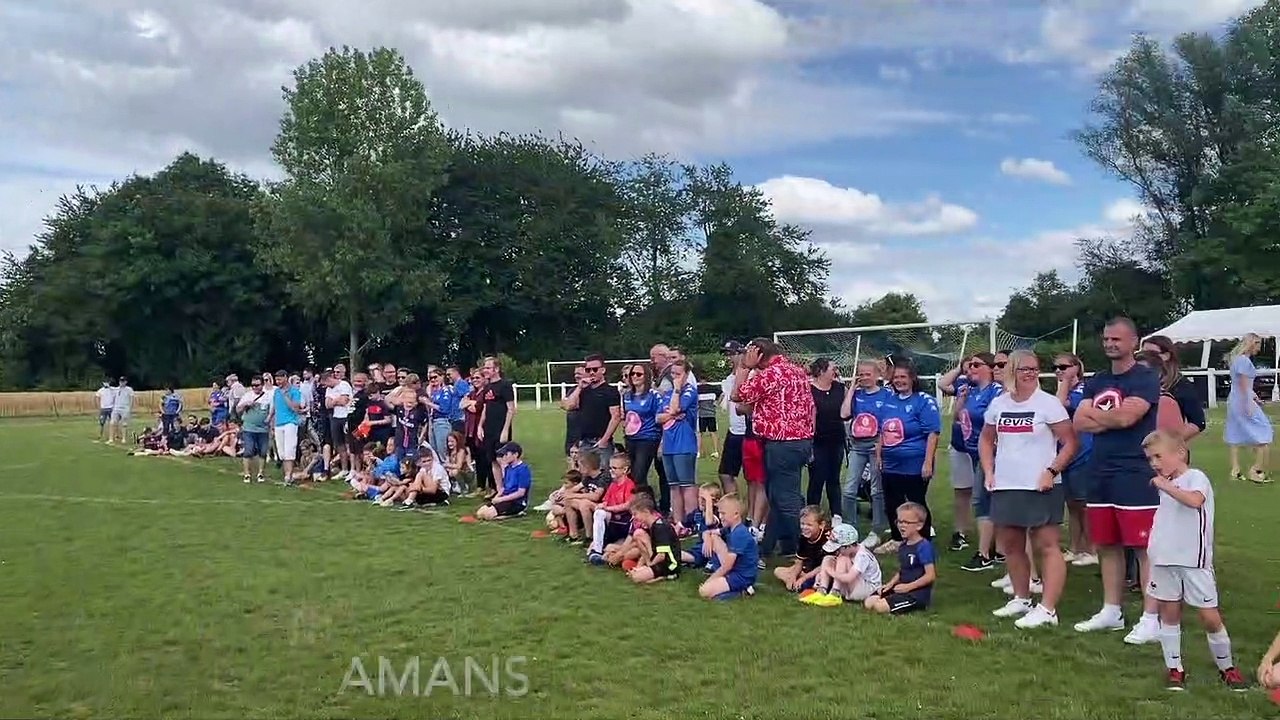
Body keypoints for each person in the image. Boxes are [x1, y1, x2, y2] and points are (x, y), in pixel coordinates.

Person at [1071, 317, 1163, 644]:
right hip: (1100, 470)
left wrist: (1105, 418)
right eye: (1107, 339)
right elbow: (1080, 421)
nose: (1110, 344)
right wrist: (1112, 418)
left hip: (1136, 471)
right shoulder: (1098, 380)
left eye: (1117, 339)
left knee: (1142, 546)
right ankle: (1112, 610)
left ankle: (1152, 618)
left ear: (1134, 342)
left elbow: (1129, 417)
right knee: (1107, 544)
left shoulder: (1145, 377)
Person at [1141, 430, 1248, 691]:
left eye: (1158, 456)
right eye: (1149, 459)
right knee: (1169, 612)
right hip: (1164, 559)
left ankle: (1227, 667)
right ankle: (1175, 669)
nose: (1154, 463)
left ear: (1179, 453)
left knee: (1209, 616)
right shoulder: (1165, 482)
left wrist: (1166, 485)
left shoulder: (1195, 477)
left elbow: (1195, 501)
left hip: (1193, 562)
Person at [980, 350, 1078, 630]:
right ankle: (1022, 598)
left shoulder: (1048, 404)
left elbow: (1070, 443)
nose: (1030, 373)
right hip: (1006, 484)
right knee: (1011, 546)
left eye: (1034, 369)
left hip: (1040, 486)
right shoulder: (999, 404)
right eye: (1024, 369)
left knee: (1047, 546)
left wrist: (1051, 471)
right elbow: (986, 440)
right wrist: (989, 471)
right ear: (1011, 370)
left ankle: (1048, 608)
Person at [732, 338, 815, 560]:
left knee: (786, 500)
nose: (746, 355)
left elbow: (737, 395)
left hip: (781, 444)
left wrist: (744, 368)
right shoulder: (796, 371)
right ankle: (772, 546)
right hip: (799, 442)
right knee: (776, 496)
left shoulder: (770, 374)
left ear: (759, 353)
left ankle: (808, 550)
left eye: (750, 352)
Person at [876, 364, 941, 555]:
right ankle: (897, 539)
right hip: (891, 463)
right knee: (892, 503)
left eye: (903, 377)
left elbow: (933, 433)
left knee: (916, 502)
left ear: (912, 378)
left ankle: (923, 542)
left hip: (914, 463)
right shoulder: (889, 400)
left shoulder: (923, 401)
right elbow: (882, 430)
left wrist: (928, 462)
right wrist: (879, 455)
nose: (899, 381)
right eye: (896, 377)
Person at [959, 352, 1006, 572]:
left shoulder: (996, 392)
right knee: (986, 501)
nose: (971, 369)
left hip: (994, 455)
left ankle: (985, 553)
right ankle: (998, 550)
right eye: (969, 365)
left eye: (976, 365)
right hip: (977, 453)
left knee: (984, 500)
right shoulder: (974, 391)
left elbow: (995, 422)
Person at [842, 360, 892, 548]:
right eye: (860, 374)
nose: (863, 377)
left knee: (876, 489)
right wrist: (851, 391)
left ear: (877, 375)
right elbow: (844, 414)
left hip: (877, 445)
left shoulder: (886, 394)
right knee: (849, 488)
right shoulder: (857, 395)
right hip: (858, 446)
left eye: (867, 374)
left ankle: (877, 529)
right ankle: (850, 528)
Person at [1054, 353, 1096, 567]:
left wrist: (1064, 384)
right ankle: (1074, 547)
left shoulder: (1082, 391)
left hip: (1084, 453)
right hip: (1067, 455)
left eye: (1063, 366)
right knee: (1072, 505)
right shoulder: (1066, 389)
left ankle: (1091, 549)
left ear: (1076, 368)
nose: (1059, 371)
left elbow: (1059, 406)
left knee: (1085, 505)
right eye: (1056, 368)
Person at [865, 502, 936, 615]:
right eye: (899, 521)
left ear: (919, 525)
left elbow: (930, 576)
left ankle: (916, 605)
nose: (901, 525)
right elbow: (903, 570)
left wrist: (908, 587)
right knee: (869, 602)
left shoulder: (923, 546)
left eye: (906, 522)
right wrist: (890, 584)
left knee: (879, 607)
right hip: (901, 588)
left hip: (915, 593)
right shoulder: (903, 545)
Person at [1223, 332, 1272, 483]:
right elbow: (1244, 385)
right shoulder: (1244, 361)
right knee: (1264, 431)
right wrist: (1249, 403)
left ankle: (1235, 470)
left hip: (1236, 399)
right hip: (1242, 401)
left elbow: (1241, 384)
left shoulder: (1238, 360)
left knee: (1235, 432)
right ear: (1251, 344)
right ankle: (1255, 469)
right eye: (1257, 344)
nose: (1259, 347)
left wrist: (1254, 396)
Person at [658, 359, 700, 525]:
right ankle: (678, 522)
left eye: (678, 374)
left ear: (686, 375)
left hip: (684, 444)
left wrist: (676, 391)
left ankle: (691, 521)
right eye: (672, 374)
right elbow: (659, 417)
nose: (674, 377)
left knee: (687, 485)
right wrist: (672, 415)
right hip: (669, 445)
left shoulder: (690, 392)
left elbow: (675, 408)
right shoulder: (666, 394)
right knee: (674, 486)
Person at [561, 354, 622, 466]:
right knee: (585, 476)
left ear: (603, 370)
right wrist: (580, 387)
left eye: (595, 369)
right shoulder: (583, 390)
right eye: (588, 369)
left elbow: (616, 417)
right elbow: (569, 406)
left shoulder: (610, 391)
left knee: (604, 475)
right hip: (584, 442)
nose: (592, 372)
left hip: (601, 442)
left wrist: (604, 440)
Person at [802, 522, 883, 606]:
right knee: (828, 558)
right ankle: (822, 590)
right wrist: (822, 574)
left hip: (867, 588)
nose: (837, 552)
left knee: (842, 558)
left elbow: (849, 578)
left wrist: (830, 572)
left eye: (839, 549)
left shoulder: (862, 556)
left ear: (848, 546)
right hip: (854, 584)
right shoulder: (848, 552)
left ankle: (835, 593)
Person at [696, 495, 759, 600]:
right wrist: (706, 536)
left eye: (723, 513)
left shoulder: (739, 534)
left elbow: (727, 566)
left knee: (704, 591)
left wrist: (710, 580)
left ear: (736, 514)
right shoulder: (730, 528)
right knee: (713, 537)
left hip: (741, 576)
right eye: (720, 513)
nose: (720, 516)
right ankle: (723, 583)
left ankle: (743, 591)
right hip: (734, 570)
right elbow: (709, 532)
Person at [807, 358, 846, 518]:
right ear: (822, 371)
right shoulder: (809, 390)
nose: (835, 371)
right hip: (817, 441)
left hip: (836, 440)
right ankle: (811, 514)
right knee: (817, 478)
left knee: (834, 479)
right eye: (832, 368)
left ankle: (837, 514)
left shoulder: (840, 388)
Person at [477, 356, 517, 499]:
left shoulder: (505, 385)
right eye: (484, 368)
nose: (485, 370)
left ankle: (508, 489)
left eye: (488, 368)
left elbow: (511, 408)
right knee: (493, 459)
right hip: (489, 429)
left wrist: (505, 429)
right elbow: (486, 409)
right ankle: (499, 489)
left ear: (496, 369)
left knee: (503, 460)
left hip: (500, 428)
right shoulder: (487, 387)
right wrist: (480, 426)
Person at [587, 453, 637, 564]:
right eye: (610, 468)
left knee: (611, 547)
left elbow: (627, 505)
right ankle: (597, 550)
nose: (611, 470)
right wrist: (602, 505)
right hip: (613, 521)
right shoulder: (613, 485)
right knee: (599, 512)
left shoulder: (629, 484)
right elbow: (606, 501)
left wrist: (608, 508)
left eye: (614, 468)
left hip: (625, 522)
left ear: (625, 469)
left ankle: (601, 548)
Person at [774, 505, 831, 592]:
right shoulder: (803, 538)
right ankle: (795, 583)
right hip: (809, 569)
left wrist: (804, 578)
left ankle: (806, 583)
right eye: (802, 524)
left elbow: (824, 565)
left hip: (825, 570)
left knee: (820, 576)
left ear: (821, 525)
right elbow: (799, 562)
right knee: (778, 571)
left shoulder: (827, 538)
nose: (804, 528)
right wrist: (792, 578)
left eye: (809, 525)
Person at [622, 364, 663, 485]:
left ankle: (641, 501)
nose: (635, 376)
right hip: (630, 439)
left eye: (639, 374)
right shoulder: (626, 395)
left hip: (647, 439)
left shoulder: (654, 395)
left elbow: (660, 417)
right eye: (632, 374)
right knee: (630, 474)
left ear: (646, 377)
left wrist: (662, 442)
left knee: (639, 474)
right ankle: (642, 500)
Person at [626, 496, 681, 584]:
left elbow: (662, 555)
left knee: (636, 577)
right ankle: (649, 570)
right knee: (639, 536)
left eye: (635, 514)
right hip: (659, 561)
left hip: (669, 565)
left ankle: (666, 575)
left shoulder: (660, 527)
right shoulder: (652, 525)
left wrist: (650, 566)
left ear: (646, 512)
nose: (634, 517)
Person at [476, 442, 530, 521]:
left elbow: (520, 493)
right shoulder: (508, 468)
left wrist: (501, 499)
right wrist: (497, 497)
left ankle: (515, 513)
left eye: (506, 454)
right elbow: (504, 488)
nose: (504, 457)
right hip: (505, 498)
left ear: (515, 455)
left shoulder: (523, 470)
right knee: (480, 513)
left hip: (516, 502)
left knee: (488, 515)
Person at [237, 375, 273, 484]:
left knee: (263, 452)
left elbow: (272, 411)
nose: (254, 387)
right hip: (249, 428)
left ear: (262, 385)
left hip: (263, 429)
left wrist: (270, 421)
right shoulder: (247, 395)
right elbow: (238, 409)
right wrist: (245, 404)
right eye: (253, 385)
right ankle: (247, 474)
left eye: (257, 385)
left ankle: (260, 473)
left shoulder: (268, 397)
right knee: (248, 451)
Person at [271, 370, 305, 484]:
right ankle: (287, 474)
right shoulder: (276, 391)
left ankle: (288, 476)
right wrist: (270, 419)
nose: (278, 382)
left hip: (290, 422)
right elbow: (274, 407)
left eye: (280, 379)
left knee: (289, 449)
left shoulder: (295, 391)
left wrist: (286, 396)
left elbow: (295, 408)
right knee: (281, 452)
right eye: (276, 379)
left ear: (286, 377)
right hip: (278, 423)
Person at [107, 376, 135, 445]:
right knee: (112, 423)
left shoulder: (129, 389)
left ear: (126, 382)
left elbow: (132, 398)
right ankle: (111, 438)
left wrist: (130, 408)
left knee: (124, 424)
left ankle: (124, 439)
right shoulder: (116, 389)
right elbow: (111, 389)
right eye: (120, 381)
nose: (121, 383)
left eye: (123, 381)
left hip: (125, 408)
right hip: (116, 408)